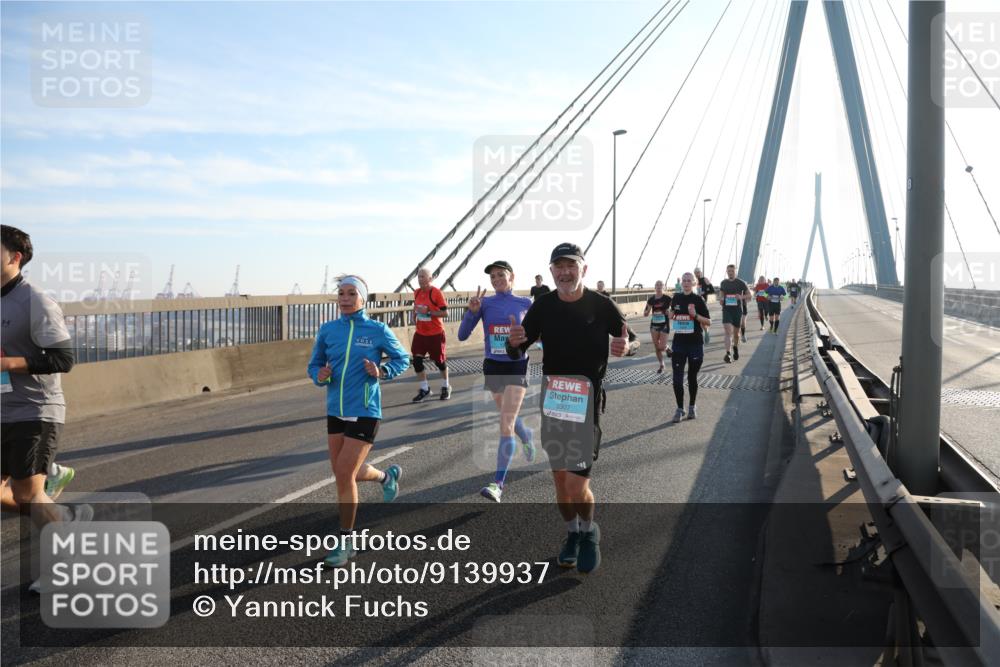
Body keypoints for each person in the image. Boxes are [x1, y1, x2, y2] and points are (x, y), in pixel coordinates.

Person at [506, 242, 628, 574]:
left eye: (570, 265)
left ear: (583, 269)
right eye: (558, 267)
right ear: (551, 272)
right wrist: (512, 344)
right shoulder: (544, 305)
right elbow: (519, 347)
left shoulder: (601, 305)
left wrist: (626, 346)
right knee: (560, 480)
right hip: (554, 401)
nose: (564, 272)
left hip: (586, 403)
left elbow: (628, 338)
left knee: (577, 485)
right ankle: (572, 534)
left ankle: (589, 532)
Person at [308, 275, 410, 568]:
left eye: (352, 293)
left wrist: (381, 371)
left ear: (363, 298)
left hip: (366, 410)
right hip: (336, 410)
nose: (345, 298)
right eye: (341, 293)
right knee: (344, 472)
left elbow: (402, 359)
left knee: (343, 473)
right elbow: (314, 365)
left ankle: (346, 542)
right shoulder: (328, 330)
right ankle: (386, 477)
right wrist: (319, 375)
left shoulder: (377, 330)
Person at [1, 225, 90, 536]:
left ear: (15, 257)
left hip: (34, 409)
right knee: (19, 496)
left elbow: (62, 359)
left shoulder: (35, 301)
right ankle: (64, 517)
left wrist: (7, 363)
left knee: (27, 494)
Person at [458, 261, 535, 502]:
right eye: (493, 276)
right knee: (507, 416)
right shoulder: (485, 304)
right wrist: (472, 313)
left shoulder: (526, 303)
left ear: (512, 277)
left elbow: (539, 334)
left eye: (501, 274)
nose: (497, 279)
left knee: (505, 422)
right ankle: (526, 435)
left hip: (516, 365)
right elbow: (462, 335)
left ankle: (498, 484)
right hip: (493, 366)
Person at [669, 272, 711, 423]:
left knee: (692, 377)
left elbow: (708, 322)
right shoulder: (676, 298)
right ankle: (680, 409)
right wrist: (671, 314)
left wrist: (695, 315)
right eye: (684, 280)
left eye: (689, 280)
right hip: (679, 344)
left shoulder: (698, 299)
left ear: (694, 283)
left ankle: (692, 406)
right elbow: (672, 314)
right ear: (681, 283)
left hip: (695, 344)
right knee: (677, 380)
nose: (686, 283)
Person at [410, 267, 450, 401]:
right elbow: (416, 307)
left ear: (430, 278)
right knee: (416, 361)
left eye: (423, 276)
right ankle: (425, 389)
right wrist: (414, 315)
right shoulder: (416, 292)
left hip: (435, 333)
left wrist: (429, 313)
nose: (420, 279)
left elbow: (445, 313)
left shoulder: (436, 293)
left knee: (439, 362)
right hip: (420, 333)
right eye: (419, 276)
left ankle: (446, 386)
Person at [718, 264, 751, 363]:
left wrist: (741, 297)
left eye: (732, 271)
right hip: (727, 310)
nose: (730, 273)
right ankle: (728, 353)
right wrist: (721, 299)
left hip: (737, 311)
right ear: (727, 272)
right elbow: (721, 293)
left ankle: (735, 348)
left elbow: (749, 295)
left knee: (736, 334)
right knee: (728, 332)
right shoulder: (723, 283)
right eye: (729, 271)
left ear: (735, 272)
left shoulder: (741, 283)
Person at [643, 280, 672, 373]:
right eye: (657, 285)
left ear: (664, 287)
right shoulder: (651, 299)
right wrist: (646, 312)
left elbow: (674, 308)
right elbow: (646, 312)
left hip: (664, 324)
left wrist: (670, 311)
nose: (659, 286)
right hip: (654, 325)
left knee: (661, 346)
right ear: (655, 287)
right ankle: (662, 365)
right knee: (656, 346)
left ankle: (667, 348)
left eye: (661, 285)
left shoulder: (668, 298)